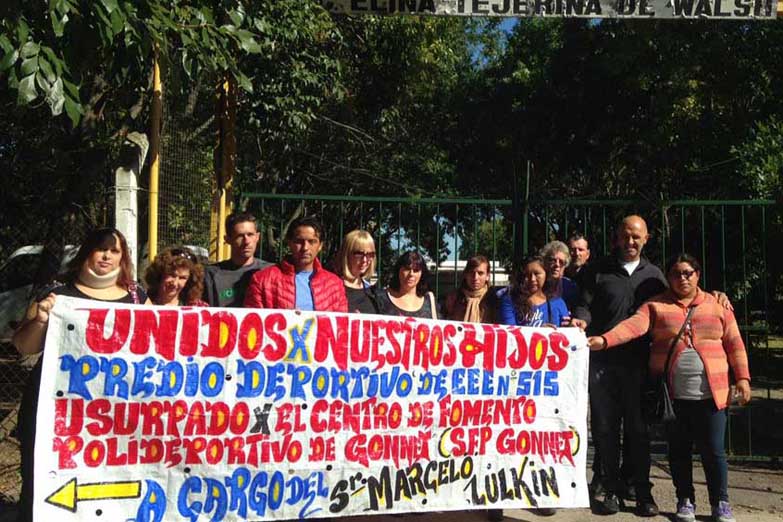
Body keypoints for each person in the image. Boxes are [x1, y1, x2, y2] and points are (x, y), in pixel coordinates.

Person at [588, 253, 750, 522]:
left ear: (697, 275)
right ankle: (684, 499)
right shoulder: (656, 305)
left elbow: (734, 342)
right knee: (678, 452)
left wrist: (743, 378)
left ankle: (720, 502)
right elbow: (632, 327)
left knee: (714, 451)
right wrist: (605, 341)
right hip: (673, 397)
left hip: (713, 394)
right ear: (669, 278)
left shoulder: (717, 305)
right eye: (676, 273)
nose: (682, 278)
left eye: (688, 273)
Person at [12, 227, 148, 522]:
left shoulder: (138, 298)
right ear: (87, 252)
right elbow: (24, 346)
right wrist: (42, 319)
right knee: (40, 486)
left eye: (115, 251)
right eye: (101, 248)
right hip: (57, 412)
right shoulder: (56, 294)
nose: (107, 256)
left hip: (113, 417)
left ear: (123, 258)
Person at [572, 215, 667, 517]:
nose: (630, 242)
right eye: (625, 236)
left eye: (636, 237)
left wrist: (716, 297)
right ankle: (606, 487)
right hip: (602, 363)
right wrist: (581, 321)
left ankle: (640, 489)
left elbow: (679, 301)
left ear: (646, 239)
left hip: (639, 365)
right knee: (604, 428)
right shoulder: (597, 270)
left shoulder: (655, 276)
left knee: (639, 431)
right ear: (616, 237)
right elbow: (583, 305)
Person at [244, 216, 347, 312]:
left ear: (320, 246)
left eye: (312, 242)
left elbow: (342, 326)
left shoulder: (334, 285)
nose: (305, 248)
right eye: (299, 241)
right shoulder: (262, 280)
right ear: (289, 243)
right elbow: (253, 324)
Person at [203, 212, 271, 307]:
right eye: (240, 236)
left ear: (257, 237)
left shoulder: (270, 272)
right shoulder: (211, 274)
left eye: (250, 235)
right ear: (227, 239)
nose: (246, 241)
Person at [498, 255, 569, 327]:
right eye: (527, 275)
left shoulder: (557, 302)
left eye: (537, 273)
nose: (532, 279)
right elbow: (510, 333)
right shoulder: (510, 301)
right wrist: (538, 332)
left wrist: (573, 325)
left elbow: (566, 331)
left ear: (546, 274)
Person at [377, 251, 438, 319]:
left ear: (422, 274)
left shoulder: (429, 300)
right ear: (398, 271)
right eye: (407, 269)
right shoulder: (382, 297)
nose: (411, 274)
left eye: (416, 270)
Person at [336, 230, 381, 314]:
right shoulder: (332, 288)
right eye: (359, 254)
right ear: (346, 254)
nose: (365, 260)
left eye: (370, 254)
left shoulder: (373, 292)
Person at [443, 255, 496, 323]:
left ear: (487, 276)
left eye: (480, 273)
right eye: (472, 273)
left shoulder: (494, 299)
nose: (475, 278)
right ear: (465, 274)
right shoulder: (453, 298)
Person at [540, 240, 580, 310]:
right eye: (553, 260)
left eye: (561, 262)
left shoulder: (570, 287)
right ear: (545, 262)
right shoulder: (537, 285)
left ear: (565, 265)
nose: (557, 265)